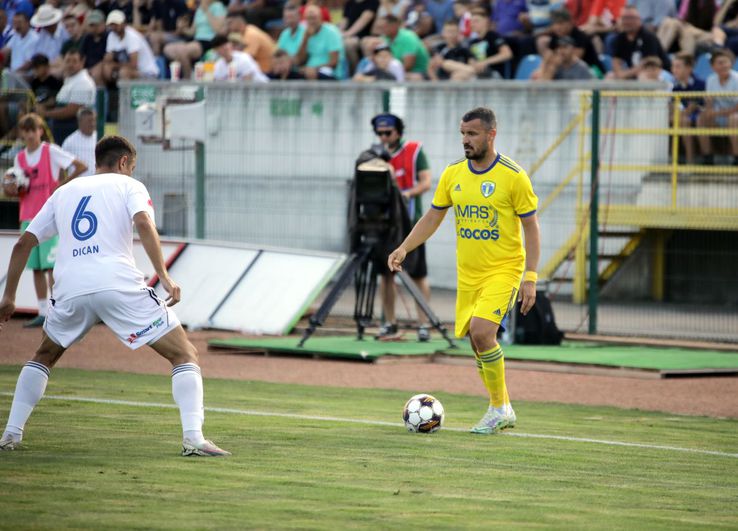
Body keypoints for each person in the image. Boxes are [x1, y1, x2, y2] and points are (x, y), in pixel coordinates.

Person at [0, 135, 230, 457]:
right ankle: (193, 437)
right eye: (132, 167)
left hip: (70, 288)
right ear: (123, 163)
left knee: (44, 356)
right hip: (117, 284)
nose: (132, 173)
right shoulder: (129, 187)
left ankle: (11, 434)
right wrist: (164, 276)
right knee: (184, 354)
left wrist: (9, 297)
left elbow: (24, 243)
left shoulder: (63, 193)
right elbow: (144, 224)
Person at [387, 107, 540, 434]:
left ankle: (498, 408)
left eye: (472, 134)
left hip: (504, 270)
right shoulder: (454, 174)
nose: (466, 140)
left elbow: (532, 227)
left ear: (491, 134)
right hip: (469, 275)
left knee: (484, 332)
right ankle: (504, 407)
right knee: (476, 341)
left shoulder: (513, 176)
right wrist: (404, 247)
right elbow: (432, 217)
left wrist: (530, 277)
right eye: (463, 134)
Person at [1, 113, 87, 328]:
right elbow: (15, 186)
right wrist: (11, 189)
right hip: (27, 216)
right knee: (37, 267)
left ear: (40, 130)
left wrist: (61, 186)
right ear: (22, 133)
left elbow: (80, 166)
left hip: (49, 216)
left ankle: (58, 310)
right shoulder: (19, 158)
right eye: (26, 130)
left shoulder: (50, 151)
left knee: (51, 267)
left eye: (33, 129)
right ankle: (42, 312)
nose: (30, 134)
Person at [372, 113, 432, 341]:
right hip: (385, 225)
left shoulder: (415, 151)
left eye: (387, 132)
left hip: (410, 224)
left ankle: (423, 324)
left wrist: (404, 194)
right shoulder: (376, 155)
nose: (383, 137)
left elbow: (426, 183)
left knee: (417, 274)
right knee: (386, 276)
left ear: (398, 131)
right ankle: (389, 322)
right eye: (379, 133)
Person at [37, 48, 97, 145]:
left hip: (71, 130)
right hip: (60, 128)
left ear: (82, 62)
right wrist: (44, 105)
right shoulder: (71, 78)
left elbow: (71, 110)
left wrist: (45, 113)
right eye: (68, 61)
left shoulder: (83, 82)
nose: (70, 65)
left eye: (74, 61)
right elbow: (61, 100)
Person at [163, 0, 226, 80]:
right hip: (196, 40)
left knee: (182, 51)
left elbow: (217, 29)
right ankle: (189, 72)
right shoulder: (199, 9)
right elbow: (192, 31)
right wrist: (182, 29)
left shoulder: (218, 6)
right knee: (168, 49)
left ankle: (188, 78)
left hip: (210, 40)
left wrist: (206, 10)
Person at [697, 48, 738, 166]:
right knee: (701, 119)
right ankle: (708, 157)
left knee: (734, 119)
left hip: (733, 116)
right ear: (713, 66)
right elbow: (709, 102)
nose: (724, 65)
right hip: (720, 116)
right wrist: (708, 112)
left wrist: (716, 113)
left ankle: (736, 158)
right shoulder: (711, 80)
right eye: (720, 63)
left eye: (726, 62)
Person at [610, 6, 670, 80]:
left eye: (631, 18)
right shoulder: (620, 38)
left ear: (639, 20)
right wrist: (619, 74)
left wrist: (624, 74)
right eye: (624, 18)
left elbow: (649, 63)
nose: (627, 21)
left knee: (644, 77)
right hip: (634, 73)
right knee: (610, 76)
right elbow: (616, 60)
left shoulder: (648, 37)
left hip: (660, 72)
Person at [103, 9, 160, 81]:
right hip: (128, 69)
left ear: (123, 23)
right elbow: (108, 59)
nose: (114, 27)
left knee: (124, 72)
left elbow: (134, 65)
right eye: (112, 25)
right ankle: (112, 91)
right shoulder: (111, 36)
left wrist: (114, 65)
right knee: (106, 69)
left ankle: (125, 92)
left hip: (147, 73)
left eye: (116, 24)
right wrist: (110, 64)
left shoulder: (132, 36)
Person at [670, 52, 705, 164]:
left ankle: (690, 161)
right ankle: (672, 158)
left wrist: (677, 115)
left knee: (683, 121)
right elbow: (673, 105)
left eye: (678, 66)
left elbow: (693, 106)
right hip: (684, 116)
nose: (674, 70)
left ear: (689, 68)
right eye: (673, 66)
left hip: (700, 116)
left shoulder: (699, 83)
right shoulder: (675, 86)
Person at [295, 5, 345, 80]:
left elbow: (334, 62)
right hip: (310, 71)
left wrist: (314, 69)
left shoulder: (331, 32)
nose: (311, 21)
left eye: (314, 18)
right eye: (309, 18)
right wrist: (305, 39)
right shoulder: (305, 33)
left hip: (330, 72)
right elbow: (299, 61)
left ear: (321, 18)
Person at [61, 107, 97, 176]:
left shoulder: (100, 138)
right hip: (76, 184)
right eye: (89, 121)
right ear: (80, 121)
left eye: (94, 120)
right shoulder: (69, 142)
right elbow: (62, 167)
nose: (92, 124)